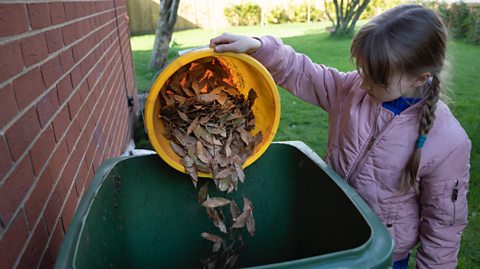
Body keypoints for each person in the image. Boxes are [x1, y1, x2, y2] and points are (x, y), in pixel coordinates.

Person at [209, 4, 471, 269]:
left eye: (377, 80)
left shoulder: (447, 142)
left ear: (419, 78)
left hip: (379, 256)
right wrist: (257, 47)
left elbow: (443, 226)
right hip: (328, 233)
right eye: (362, 70)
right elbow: (303, 73)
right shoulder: (351, 91)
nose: (364, 83)